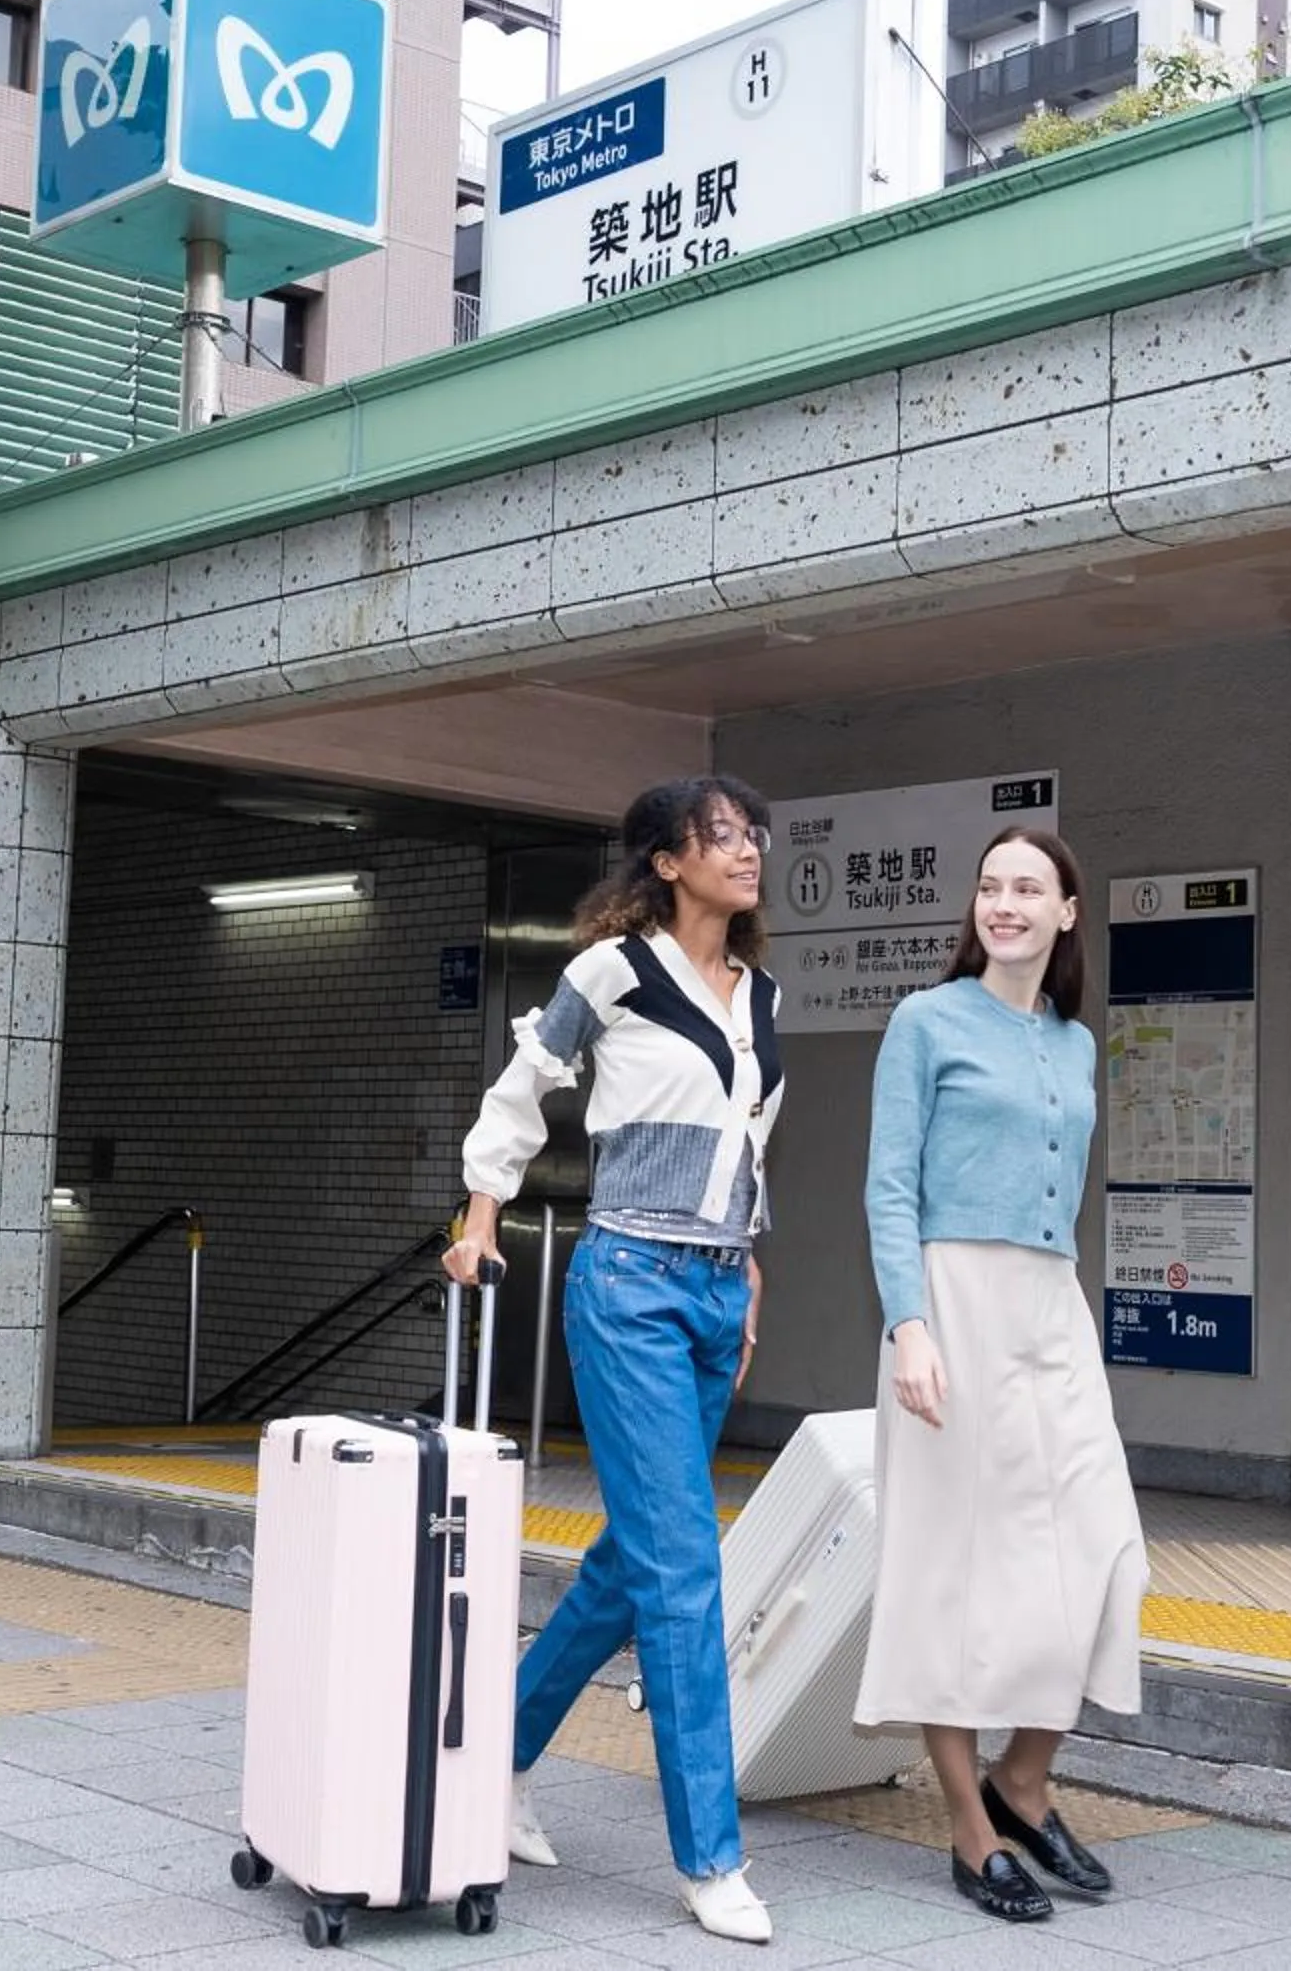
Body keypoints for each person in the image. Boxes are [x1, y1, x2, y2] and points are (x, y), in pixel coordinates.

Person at [444, 775, 783, 1945]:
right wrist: (482, 1214)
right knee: (687, 1566)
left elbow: (747, 1148)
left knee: (636, 1567)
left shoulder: (762, 995)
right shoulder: (614, 972)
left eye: (754, 835)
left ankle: (492, 1756)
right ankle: (711, 1857)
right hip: (630, 1285)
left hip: (710, 1290)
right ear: (668, 860)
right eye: (724, 834)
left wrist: (750, 1268)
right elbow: (526, 1079)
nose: (748, 850)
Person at [851, 825, 1145, 1924]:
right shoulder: (926, 1022)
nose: (1004, 903)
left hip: (1049, 1304)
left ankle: (1023, 1777)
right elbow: (889, 1187)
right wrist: (908, 1326)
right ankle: (973, 1836)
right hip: (951, 1304)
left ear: (1069, 911)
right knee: (949, 1569)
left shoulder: (1074, 1042)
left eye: (1029, 887)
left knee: (1104, 1547)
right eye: (990, 886)